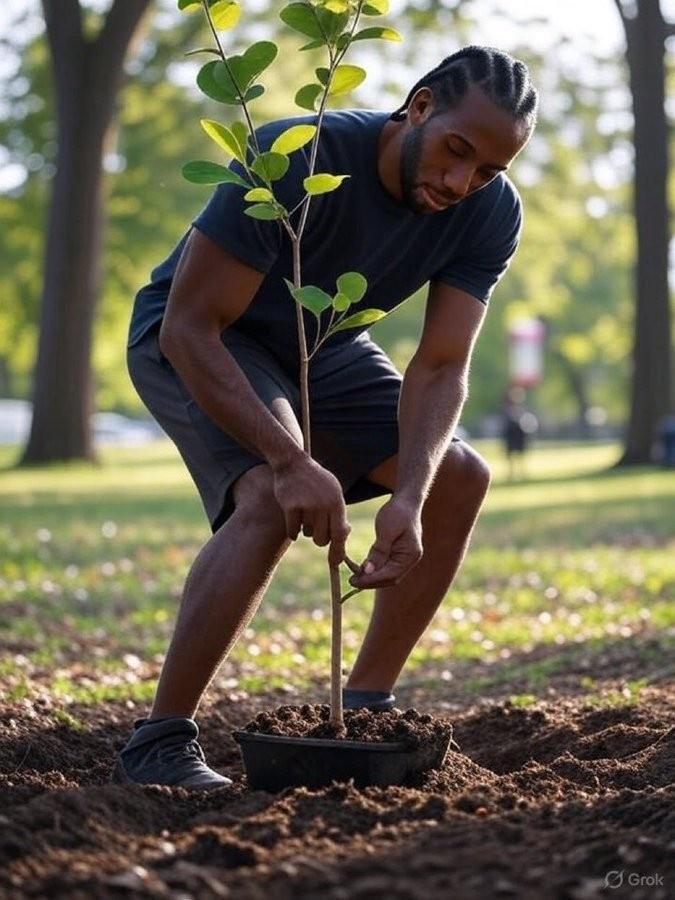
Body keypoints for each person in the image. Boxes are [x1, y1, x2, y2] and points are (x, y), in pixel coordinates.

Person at [113, 46, 538, 789]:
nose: (458, 182)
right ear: (420, 106)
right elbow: (191, 326)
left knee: (455, 475)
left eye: (485, 172)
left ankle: (366, 702)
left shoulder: (488, 215)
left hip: (324, 342)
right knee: (272, 500)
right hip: (204, 336)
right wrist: (289, 460)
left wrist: (408, 495)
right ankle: (159, 743)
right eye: (455, 153)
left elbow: (440, 366)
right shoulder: (297, 154)